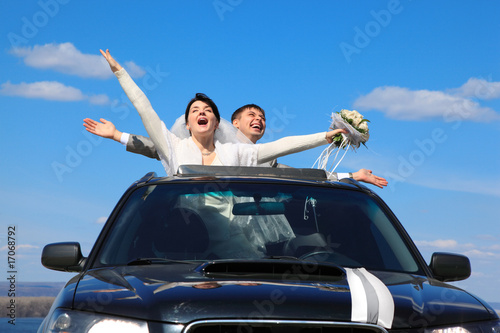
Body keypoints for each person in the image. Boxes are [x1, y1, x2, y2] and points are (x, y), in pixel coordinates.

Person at [98, 49, 347, 176]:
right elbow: (145, 108)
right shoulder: (172, 145)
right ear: (188, 124)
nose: (201, 112)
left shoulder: (235, 152)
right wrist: (120, 72)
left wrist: (323, 137)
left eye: (208, 110)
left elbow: (282, 146)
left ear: (217, 123)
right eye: (195, 110)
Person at [84, 106, 388, 188]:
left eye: (263, 117)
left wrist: (350, 176)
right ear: (234, 123)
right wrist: (118, 135)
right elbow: (159, 147)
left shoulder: (263, 160)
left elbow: (299, 175)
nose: (259, 120)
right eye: (251, 116)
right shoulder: (218, 145)